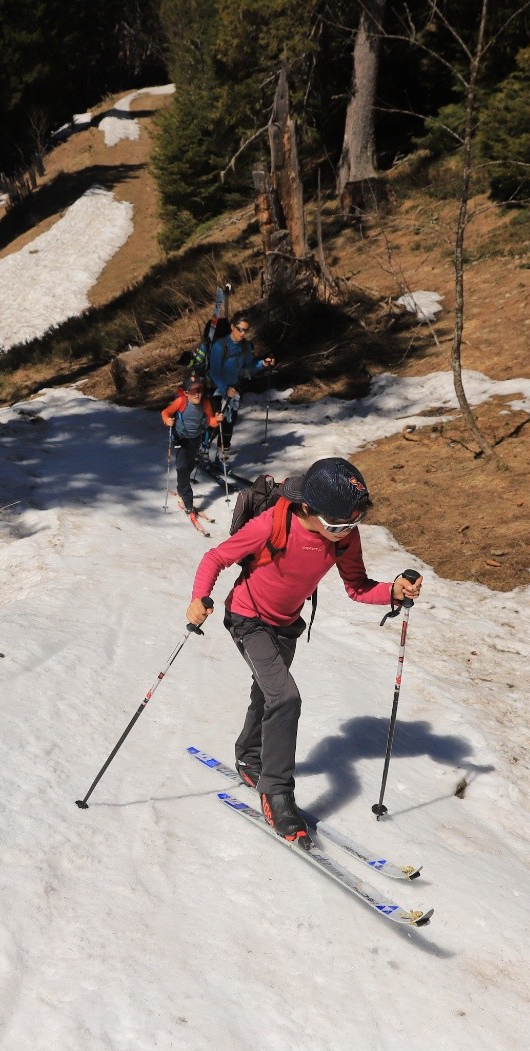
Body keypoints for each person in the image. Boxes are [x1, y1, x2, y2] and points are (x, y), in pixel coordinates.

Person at [185, 457, 422, 848]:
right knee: (286, 697)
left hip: (286, 625)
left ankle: (249, 755)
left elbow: (358, 587)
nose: (343, 533)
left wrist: (393, 592)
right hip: (247, 617)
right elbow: (216, 557)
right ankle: (276, 791)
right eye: (336, 526)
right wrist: (199, 598)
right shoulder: (274, 523)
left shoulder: (344, 536)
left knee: (268, 694)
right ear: (308, 508)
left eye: (351, 525)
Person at [206, 315, 273, 452]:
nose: (242, 333)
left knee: (229, 424)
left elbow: (250, 364)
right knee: (217, 422)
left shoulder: (245, 346)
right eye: (240, 329)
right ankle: (203, 447)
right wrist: (225, 388)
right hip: (217, 389)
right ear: (232, 327)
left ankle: (222, 457)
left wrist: (263, 364)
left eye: (245, 330)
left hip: (234, 390)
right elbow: (214, 372)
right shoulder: (220, 346)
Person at [161, 373, 221, 519]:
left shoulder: (205, 403)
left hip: (195, 439)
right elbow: (166, 412)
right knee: (182, 468)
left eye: (199, 390)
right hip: (181, 439)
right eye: (194, 391)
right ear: (187, 393)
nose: (197, 394)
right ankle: (187, 500)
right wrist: (167, 420)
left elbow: (211, 419)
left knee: (190, 465)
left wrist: (217, 420)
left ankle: (181, 486)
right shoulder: (181, 401)